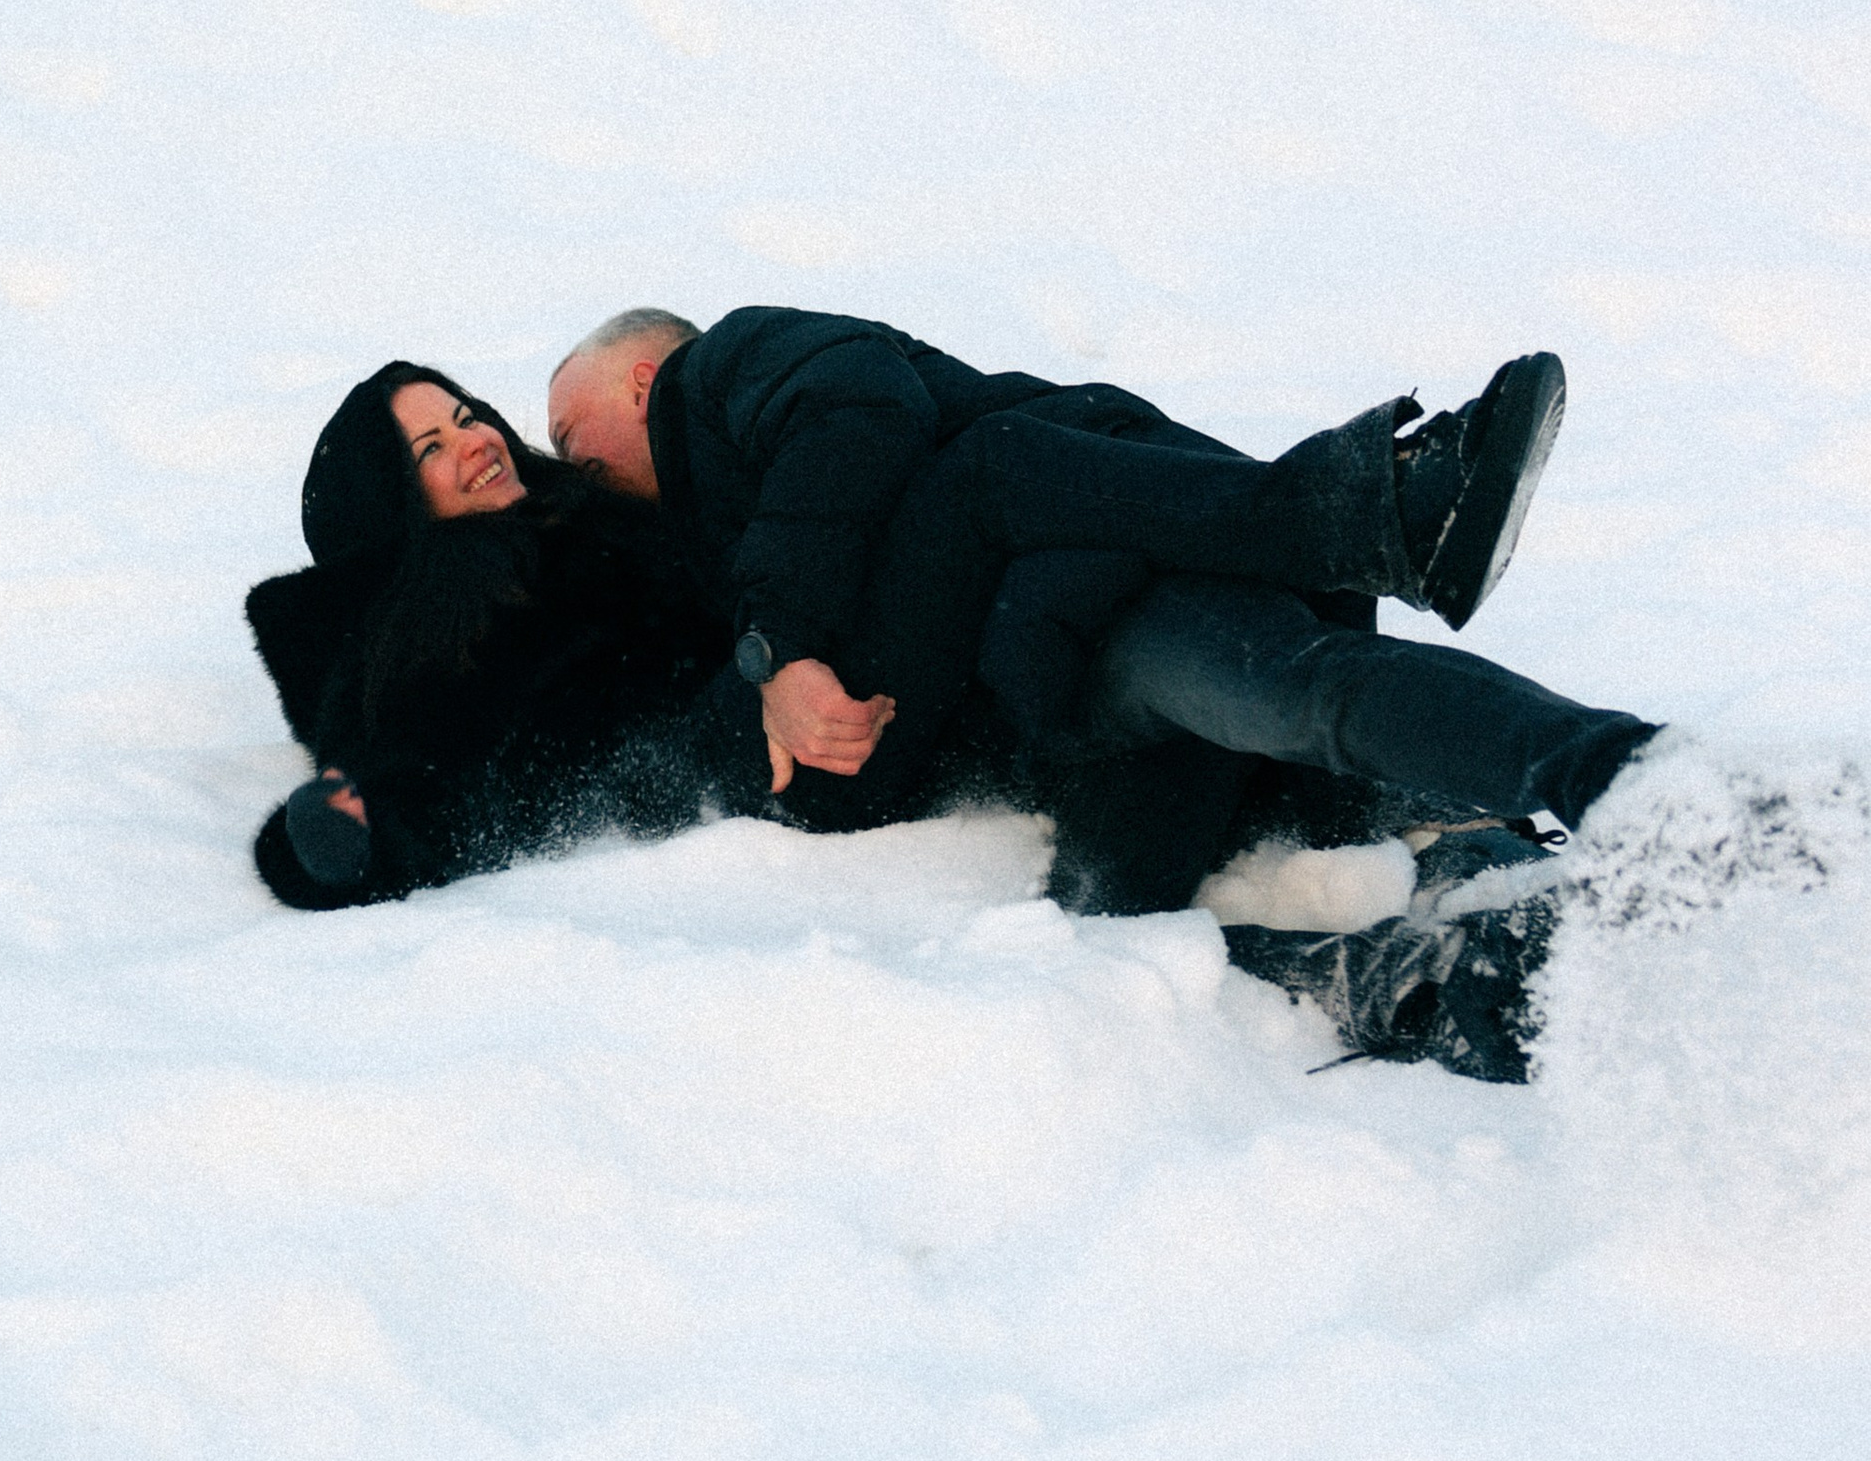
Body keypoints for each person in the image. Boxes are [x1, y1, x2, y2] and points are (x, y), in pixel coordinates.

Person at [544, 305, 1661, 1077]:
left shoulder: (734, 366)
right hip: (1060, 688)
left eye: (566, 433)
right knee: (1119, 942)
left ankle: (1631, 780)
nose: (563, 460)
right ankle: (1419, 971)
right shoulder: (741, 532)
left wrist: (779, 647)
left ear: (641, 376)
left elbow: (858, 411)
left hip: (1110, 598)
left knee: (1299, 696)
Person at [247, 362, 726, 911]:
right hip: (718, 794)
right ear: (395, 503)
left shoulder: (592, 508)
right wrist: (341, 836)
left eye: (466, 419)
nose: (474, 443)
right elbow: (415, 783)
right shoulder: (439, 630)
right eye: (431, 449)